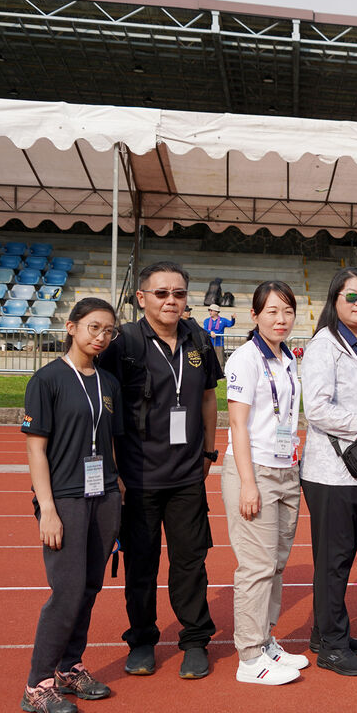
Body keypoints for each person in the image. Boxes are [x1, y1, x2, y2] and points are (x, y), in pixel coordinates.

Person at [98, 260, 221, 680]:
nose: (171, 301)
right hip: (138, 478)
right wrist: (113, 469)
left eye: (179, 293)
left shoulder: (198, 338)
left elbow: (208, 398)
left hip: (187, 477)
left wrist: (208, 452)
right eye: (162, 293)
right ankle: (142, 639)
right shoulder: (124, 344)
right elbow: (105, 409)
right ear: (141, 297)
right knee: (141, 565)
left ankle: (195, 640)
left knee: (191, 563)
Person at [20, 298, 123, 713]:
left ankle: (69, 666)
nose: (101, 337)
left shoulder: (108, 382)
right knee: (66, 591)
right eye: (94, 327)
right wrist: (47, 508)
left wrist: (119, 493)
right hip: (65, 498)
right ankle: (37, 685)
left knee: (90, 587)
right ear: (71, 327)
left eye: (109, 331)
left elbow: (110, 442)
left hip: (105, 496)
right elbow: (36, 449)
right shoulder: (46, 380)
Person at [301, 268, 357, 677]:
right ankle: (332, 647)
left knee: (339, 558)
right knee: (334, 561)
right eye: (351, 296)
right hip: (330, 472)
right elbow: (317, 409)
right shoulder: (325, 345)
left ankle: (325, 632)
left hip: (353, 471)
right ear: (334, 299)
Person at [222, 281, 307, 686]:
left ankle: (266, 640)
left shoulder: (286, 356)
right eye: (272, 311)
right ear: (255, 316)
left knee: (276, 564)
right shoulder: (245, 358)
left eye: (287, 311)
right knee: (256, 567)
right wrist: (248, 483)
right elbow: (238, 424)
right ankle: (250, 656)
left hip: (286, 469)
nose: (281, 319)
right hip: (254, 470)